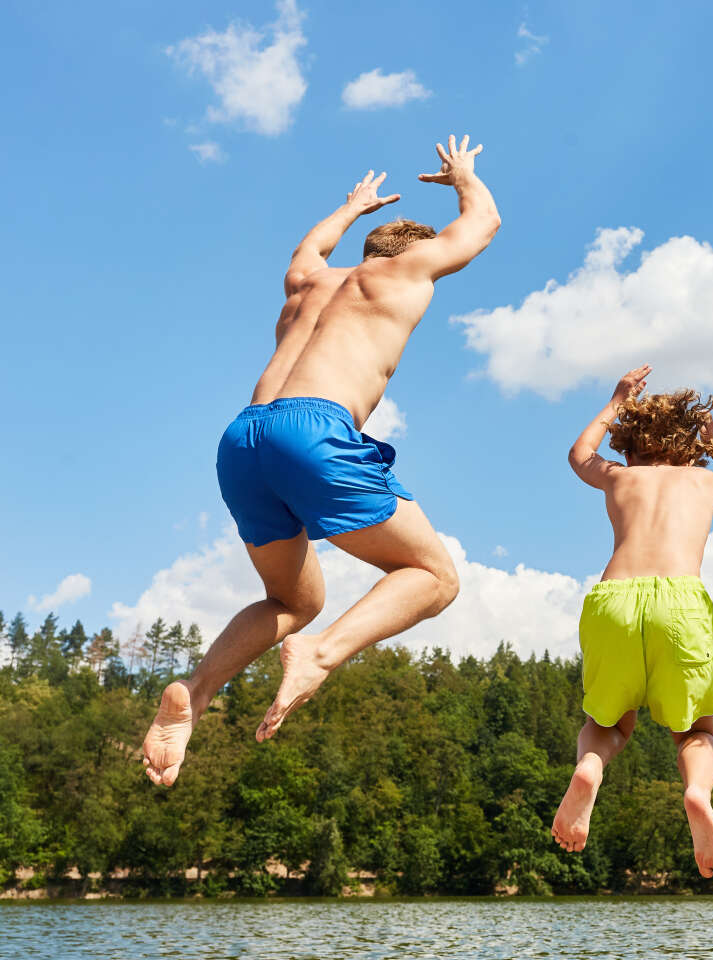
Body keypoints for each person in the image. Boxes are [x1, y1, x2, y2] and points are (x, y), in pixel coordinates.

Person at [140, 136, 501, 786]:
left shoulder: (309, 283)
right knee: (434, 575)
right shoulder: (402, 273)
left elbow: (307, 250)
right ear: (414, 253)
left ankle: (193, 695)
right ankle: (320, 655)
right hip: (315, 429)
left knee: (291, 597)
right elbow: (483, 225)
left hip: (242, 439)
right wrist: (463, 176)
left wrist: (352, 206)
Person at [550, 366, 713, 878]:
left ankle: (590, 768)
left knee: (606, 723)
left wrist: (614, 402)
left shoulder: (620, 475)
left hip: (615, 601)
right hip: (681, 603)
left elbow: (579, 455)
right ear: (689, 446)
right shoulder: (705, 479)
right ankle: (696, 792)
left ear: (629, 445)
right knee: (695, 730)